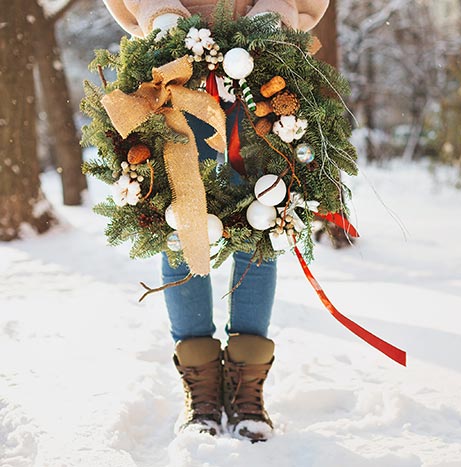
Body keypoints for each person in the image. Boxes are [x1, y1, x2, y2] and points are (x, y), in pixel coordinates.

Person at [103, 0, 330, 442]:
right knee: (180, 225)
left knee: (260, 220)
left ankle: (247, 388)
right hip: (174, 72)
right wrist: (159, 13)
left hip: (260, 74)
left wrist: (274, 12)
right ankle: (202, 388)